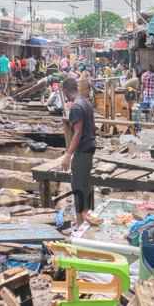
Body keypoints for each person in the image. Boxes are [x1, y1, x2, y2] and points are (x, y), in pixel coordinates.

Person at [58, 77, 99, 227]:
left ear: (66, 91)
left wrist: (68, 155)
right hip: (90, 147)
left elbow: (78, 132)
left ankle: (79, 223)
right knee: (84, 184)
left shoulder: (75, 107)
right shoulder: (86, 102)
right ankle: (84, 219)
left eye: (64, 93)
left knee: (77, 186)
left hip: (82, 150)